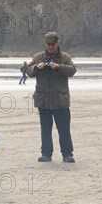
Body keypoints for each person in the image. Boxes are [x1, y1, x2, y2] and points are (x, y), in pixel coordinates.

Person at [26, 32, 76, 163]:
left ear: (57, 43)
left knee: (64, 130)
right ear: (45, 44)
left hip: (61, 100)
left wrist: (59, 67)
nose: (50, 47)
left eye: (52, 44)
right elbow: (28, 71)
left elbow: (72, 70)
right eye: (48, 45)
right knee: (45, 130)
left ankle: (67, 154)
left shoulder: (65, 57)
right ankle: (46, 154)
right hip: (44, 100)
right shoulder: (38, 57)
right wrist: (37, 67)